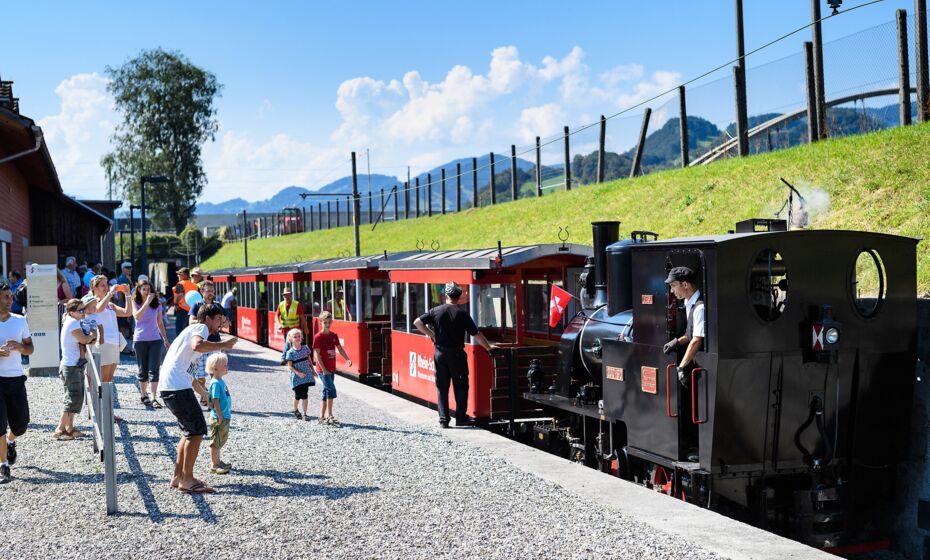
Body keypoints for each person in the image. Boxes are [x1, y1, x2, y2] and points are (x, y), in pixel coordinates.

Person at [159, 303, 237, 494]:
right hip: (177, 387)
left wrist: (205, 395)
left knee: (189, 432)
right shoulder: (200, 328)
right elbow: (198, 345)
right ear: (207, 319)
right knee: (196, 432)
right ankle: (187, 480)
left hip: (172, 386)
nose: (220, 324)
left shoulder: (193, 331)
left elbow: (191, 376)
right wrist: (223, 345)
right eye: (218, 319)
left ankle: (178, 476)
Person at [413, 282, 496, 428]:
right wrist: (488, 348)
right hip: (457, 354)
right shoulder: (462, 314)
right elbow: (476, 333)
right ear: (459, 296)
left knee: (442, 387)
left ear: (446, 295)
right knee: (461, 386)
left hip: (439, 353)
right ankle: (461, 418)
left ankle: (444, 420)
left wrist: (432, 335)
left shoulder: (435, 311)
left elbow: (417, 322)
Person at [662, 266, 704, 463]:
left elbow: (697, 340)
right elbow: (689, 334)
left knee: (697, 404)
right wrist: (676, 342)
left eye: (673, 286)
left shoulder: (700, 307)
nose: (672, 291)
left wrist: (682, 367)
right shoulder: (689, 303)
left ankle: (699, 446)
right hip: (696, 363)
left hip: (702, 365)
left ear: (685, 284)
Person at [84, 275, 132, 420]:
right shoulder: (91, 302)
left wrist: (128, 295)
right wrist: (110, 293)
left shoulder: (110, 304)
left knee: (108, 380)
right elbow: (98, 309)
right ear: (94, 288)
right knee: (102, 379)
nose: (106, 287)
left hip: (114, 343)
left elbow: (128, 312)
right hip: (102, 344)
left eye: (106, 284)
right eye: (102, 285)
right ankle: (101, 412)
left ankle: (106, 411)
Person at [0, 282, 34, 483]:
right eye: (6, 296)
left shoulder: (20, 321)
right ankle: (3, 465)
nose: (10, 300)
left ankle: (10, 441)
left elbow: (30, 348)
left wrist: (20, 347)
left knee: (21, 425)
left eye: (11, 296)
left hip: (16, 379)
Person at [56, 299, 97, 441]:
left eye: (83, 309)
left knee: (74, 397)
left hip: (71, 366)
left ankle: (69, 428)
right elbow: (84, 340)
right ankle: (60, 430)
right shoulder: (73, 323)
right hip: (71, 367)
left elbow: (83, 340)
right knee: (73, 398)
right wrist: (93, 334)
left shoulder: (72, 321)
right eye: (80, 310)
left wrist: (89, 337)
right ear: (72, 312)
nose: (83, 312)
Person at [132, 278, 170, 409]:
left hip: (155, 340)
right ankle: (144, 395)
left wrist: (165, 339)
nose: (147, 292)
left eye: (148, 289)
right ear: (139, 290)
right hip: (140, 340)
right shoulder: (135, 302)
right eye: (144, 289)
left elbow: (160, 322)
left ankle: (154, 397)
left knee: (154, 369)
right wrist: (146, 302)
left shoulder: (157, 304)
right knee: (142, 370)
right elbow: (137, 316)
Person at [312, 311, 351, 425]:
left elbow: (340, 348)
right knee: (331, 390)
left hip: (331, 368)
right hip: (322, 370)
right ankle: (329, 415)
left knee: (326, 391)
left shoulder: (334, 335)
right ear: (321, 322)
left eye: (329, 322)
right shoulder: (318, 337)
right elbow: (317, 355)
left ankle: (321, 417)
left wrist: (347, 359)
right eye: (325, 322)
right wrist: (324, 370)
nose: (327, 325)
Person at [190, 281, 224, 407]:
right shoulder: (197, 305)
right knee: (200, 376)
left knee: (216, 372)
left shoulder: (218, 306)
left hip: (215, 342)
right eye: (208, 291)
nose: (211, 293)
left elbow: (225, 322)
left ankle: (215, 397)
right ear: (202, 292)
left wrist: (222, 321)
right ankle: (205, 396)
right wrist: (206, 322)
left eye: (212, 291)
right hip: (202, 343)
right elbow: (191, 321)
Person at [206, 352, 233, 475]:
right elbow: (215, 400)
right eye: (224, 365)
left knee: (220, 439)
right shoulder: (215, 383)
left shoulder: (220, 381)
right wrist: (220, 415)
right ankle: (214, 465)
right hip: (219, 417)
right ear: (215, 368)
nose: (227, 367)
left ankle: (218, 461)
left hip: (224, 415)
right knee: (215, 441)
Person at [285, 329, 315, 421]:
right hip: (297, 377)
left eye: (299, 336)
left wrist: (313, 370)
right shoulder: (290, 353)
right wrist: (298, 373)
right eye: (295, 337)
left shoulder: (305, 348)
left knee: (305, 395)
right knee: (298, 396)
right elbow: (290, 366)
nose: (298, 338)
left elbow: (309, 360)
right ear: (290, 339)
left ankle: (305, 414)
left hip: (306, 375)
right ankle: (295, 410)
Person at [276, 287, 305, 358]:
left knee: (289, 342)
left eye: (288, 294)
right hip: (285, 329)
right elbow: (276, 316)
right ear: (283, 296)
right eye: (285, 295)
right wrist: (278, 324)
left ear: (291, 295)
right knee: (290, 344)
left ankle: (284, 357)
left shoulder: (296, 304)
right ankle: (291, 358)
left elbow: (302, 317)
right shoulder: (281, 305)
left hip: (295, 329)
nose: (287, 296)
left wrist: (303, 328)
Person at [172, 268, 199, 335]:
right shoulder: (195, 285)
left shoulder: (180, 284)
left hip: (182, 310)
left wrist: (176, 303)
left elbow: (181, 294)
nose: (178, 275)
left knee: (180, 333)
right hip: (192, 311)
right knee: (190, 332)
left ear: (185, 275)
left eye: (179, 274)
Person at [115, 263, 134, 353]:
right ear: (122, 269)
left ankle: (123, 347)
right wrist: (122, 306)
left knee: (125, 328)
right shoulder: (122, 279)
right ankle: (122, 348)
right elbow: (120, 295)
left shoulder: (126, 278)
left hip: (127, 304)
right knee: (123, 328)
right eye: (127, 268)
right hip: (123, 305)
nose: (129, 269)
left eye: (130, 267)